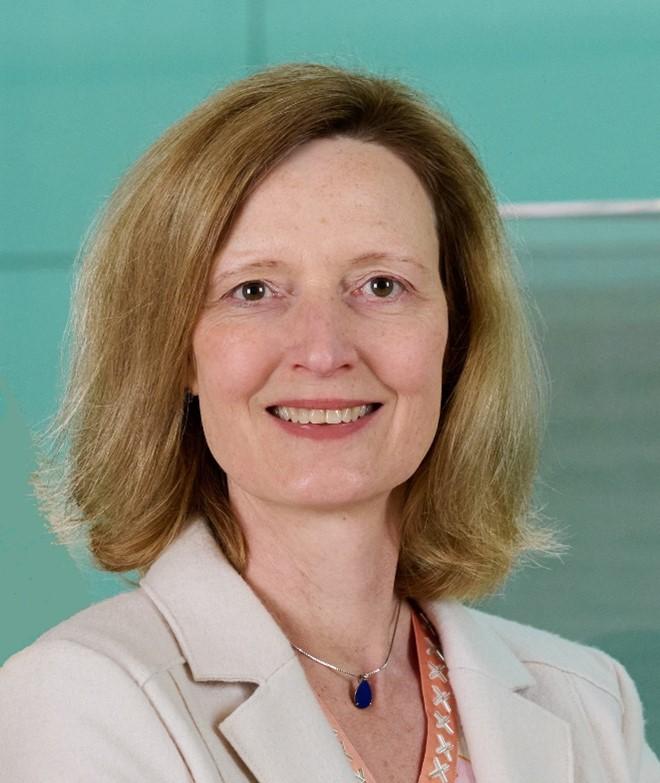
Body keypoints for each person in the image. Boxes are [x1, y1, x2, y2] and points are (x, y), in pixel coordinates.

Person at [0, 62, 657, 783]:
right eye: (254, 290)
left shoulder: (592, 704)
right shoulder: (83, 697)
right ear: (178, 352)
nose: (322, 350)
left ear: (456, 335)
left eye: (381, 284)